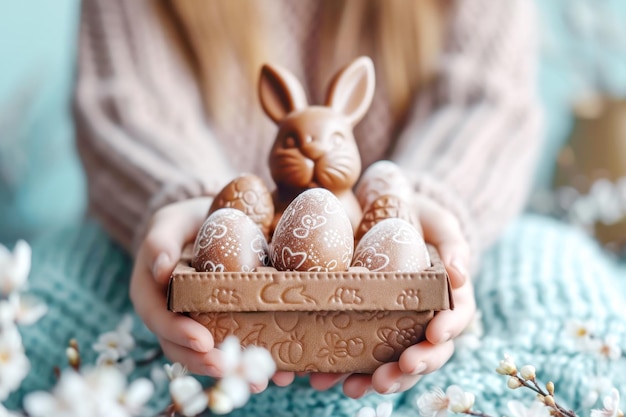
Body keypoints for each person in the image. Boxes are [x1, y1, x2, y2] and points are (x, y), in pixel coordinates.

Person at [74, 0, 541, 401]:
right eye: (295, 144)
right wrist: (184, 198)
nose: (314, 154)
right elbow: (129, 102)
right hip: (173, 223)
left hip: (433, 204)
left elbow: (486, 97)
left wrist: (433, 197)